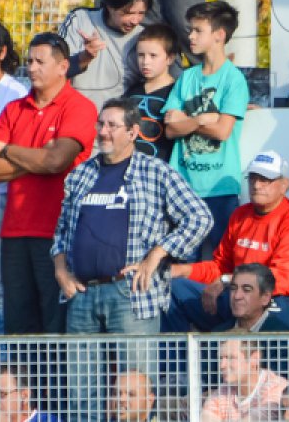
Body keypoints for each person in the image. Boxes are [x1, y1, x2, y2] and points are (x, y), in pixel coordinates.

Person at [51, 98, 209, 420]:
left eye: (112, 125)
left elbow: (200, 217)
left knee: (134, 393)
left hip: (131, 294)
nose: (103, 132)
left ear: (133, 132)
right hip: (80, 293)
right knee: (82, 394)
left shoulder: (156, 172)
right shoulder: (81, 174)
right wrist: (61, 273)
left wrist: (157, 255)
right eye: (100, 124)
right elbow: (61, 232)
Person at [0, 32, 97, 334]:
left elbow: (57, 161)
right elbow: (45, 162)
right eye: (29, 61)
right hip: (14, 231)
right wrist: (39, 159)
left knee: (55, 321)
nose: (32, 68)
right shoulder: (15, 108)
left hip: (59, 233)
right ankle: (23, 383)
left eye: (40, 62)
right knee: (18, 324)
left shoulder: (79, 107)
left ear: (63, 66)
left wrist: (7, 150)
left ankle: (54, 384)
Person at [165, 150, 289, 332]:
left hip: (279, 298)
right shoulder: (240, 215)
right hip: (236, 293)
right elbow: (220, 266)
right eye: (252, 178)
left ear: (284, 185)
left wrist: (227, 281)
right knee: (173, 287)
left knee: (272, 331)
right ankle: (179, 360)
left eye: (265, 179)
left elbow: (279, 279)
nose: (257, 185)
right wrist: (180, 270)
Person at [164, 0, 249, 260]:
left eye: (198, 30)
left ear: (219, 35)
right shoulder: (187, 78)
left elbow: (223, 131)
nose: (190, 36)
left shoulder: (233, 79)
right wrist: (201, 120)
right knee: (180, 266)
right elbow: (169, 129)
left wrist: (186, 121)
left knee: (219, 266)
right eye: (191, 30)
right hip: (183, 186)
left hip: (219, 189)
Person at [60, 0, 166, 109]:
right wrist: (84, 57)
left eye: (141, 13)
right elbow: (54, 70)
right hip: (72, 113)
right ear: (110, 6)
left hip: (115, 122)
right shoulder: (80, 19)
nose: (135, 20)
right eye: (127, 13)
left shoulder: (143, 38)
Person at [0, 20, 27, 334]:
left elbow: (20, 160)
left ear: (2, 52)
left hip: (3, 202)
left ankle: (1, 368)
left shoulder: (16, 95)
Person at [123, 23, 179, 161]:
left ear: (170, 58)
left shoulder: (177, 92)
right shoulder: (132, 91)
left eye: (153, 56)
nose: (145, 62)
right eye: (141, 55)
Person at [201, 339, 289, 422]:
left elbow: (259, 417)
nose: (222, 365)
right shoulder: (222, 392)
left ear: (254, 358)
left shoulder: (276, 386)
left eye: (231, 358)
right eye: (220, 358)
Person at [219, 263, 289, 332]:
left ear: (265, 298)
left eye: (246, 290)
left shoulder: (281, 336)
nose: (237, 296)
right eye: (233, 288)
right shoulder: (219, 333)